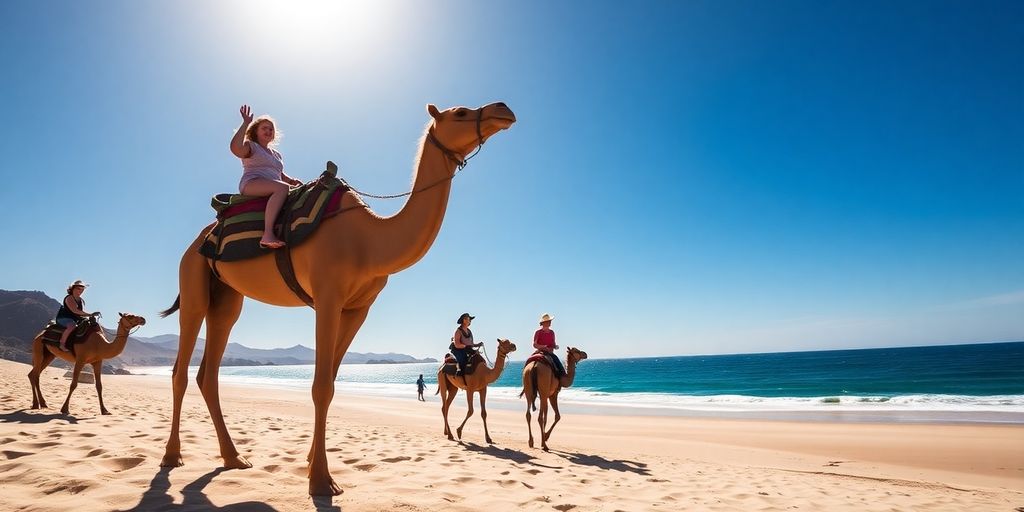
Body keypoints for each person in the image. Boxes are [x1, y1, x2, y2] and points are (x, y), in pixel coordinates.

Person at [230, 104, 303, 249]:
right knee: (282, 189)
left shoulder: (276, 154)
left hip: (273, 184)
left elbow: (278, 173)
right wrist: (245, 123)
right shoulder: (251, 146)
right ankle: (268, 234)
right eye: (264, 128)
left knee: (292, 190)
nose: (268, 131)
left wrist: (292, 181)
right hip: (252, 183)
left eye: (271, 129)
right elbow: (235, 148)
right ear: (255, 131)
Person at [55, 280, 98, 352]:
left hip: (75, 319)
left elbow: (80, 313)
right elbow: (75, 310)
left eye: (82, 289)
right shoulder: (69, 298)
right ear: (73, 288)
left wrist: (89, 317)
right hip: (64, 318)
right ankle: (62, 344)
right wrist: (90, 314)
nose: (80, 291)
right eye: (78, 288)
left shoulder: (80, 300)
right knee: (72, 326)